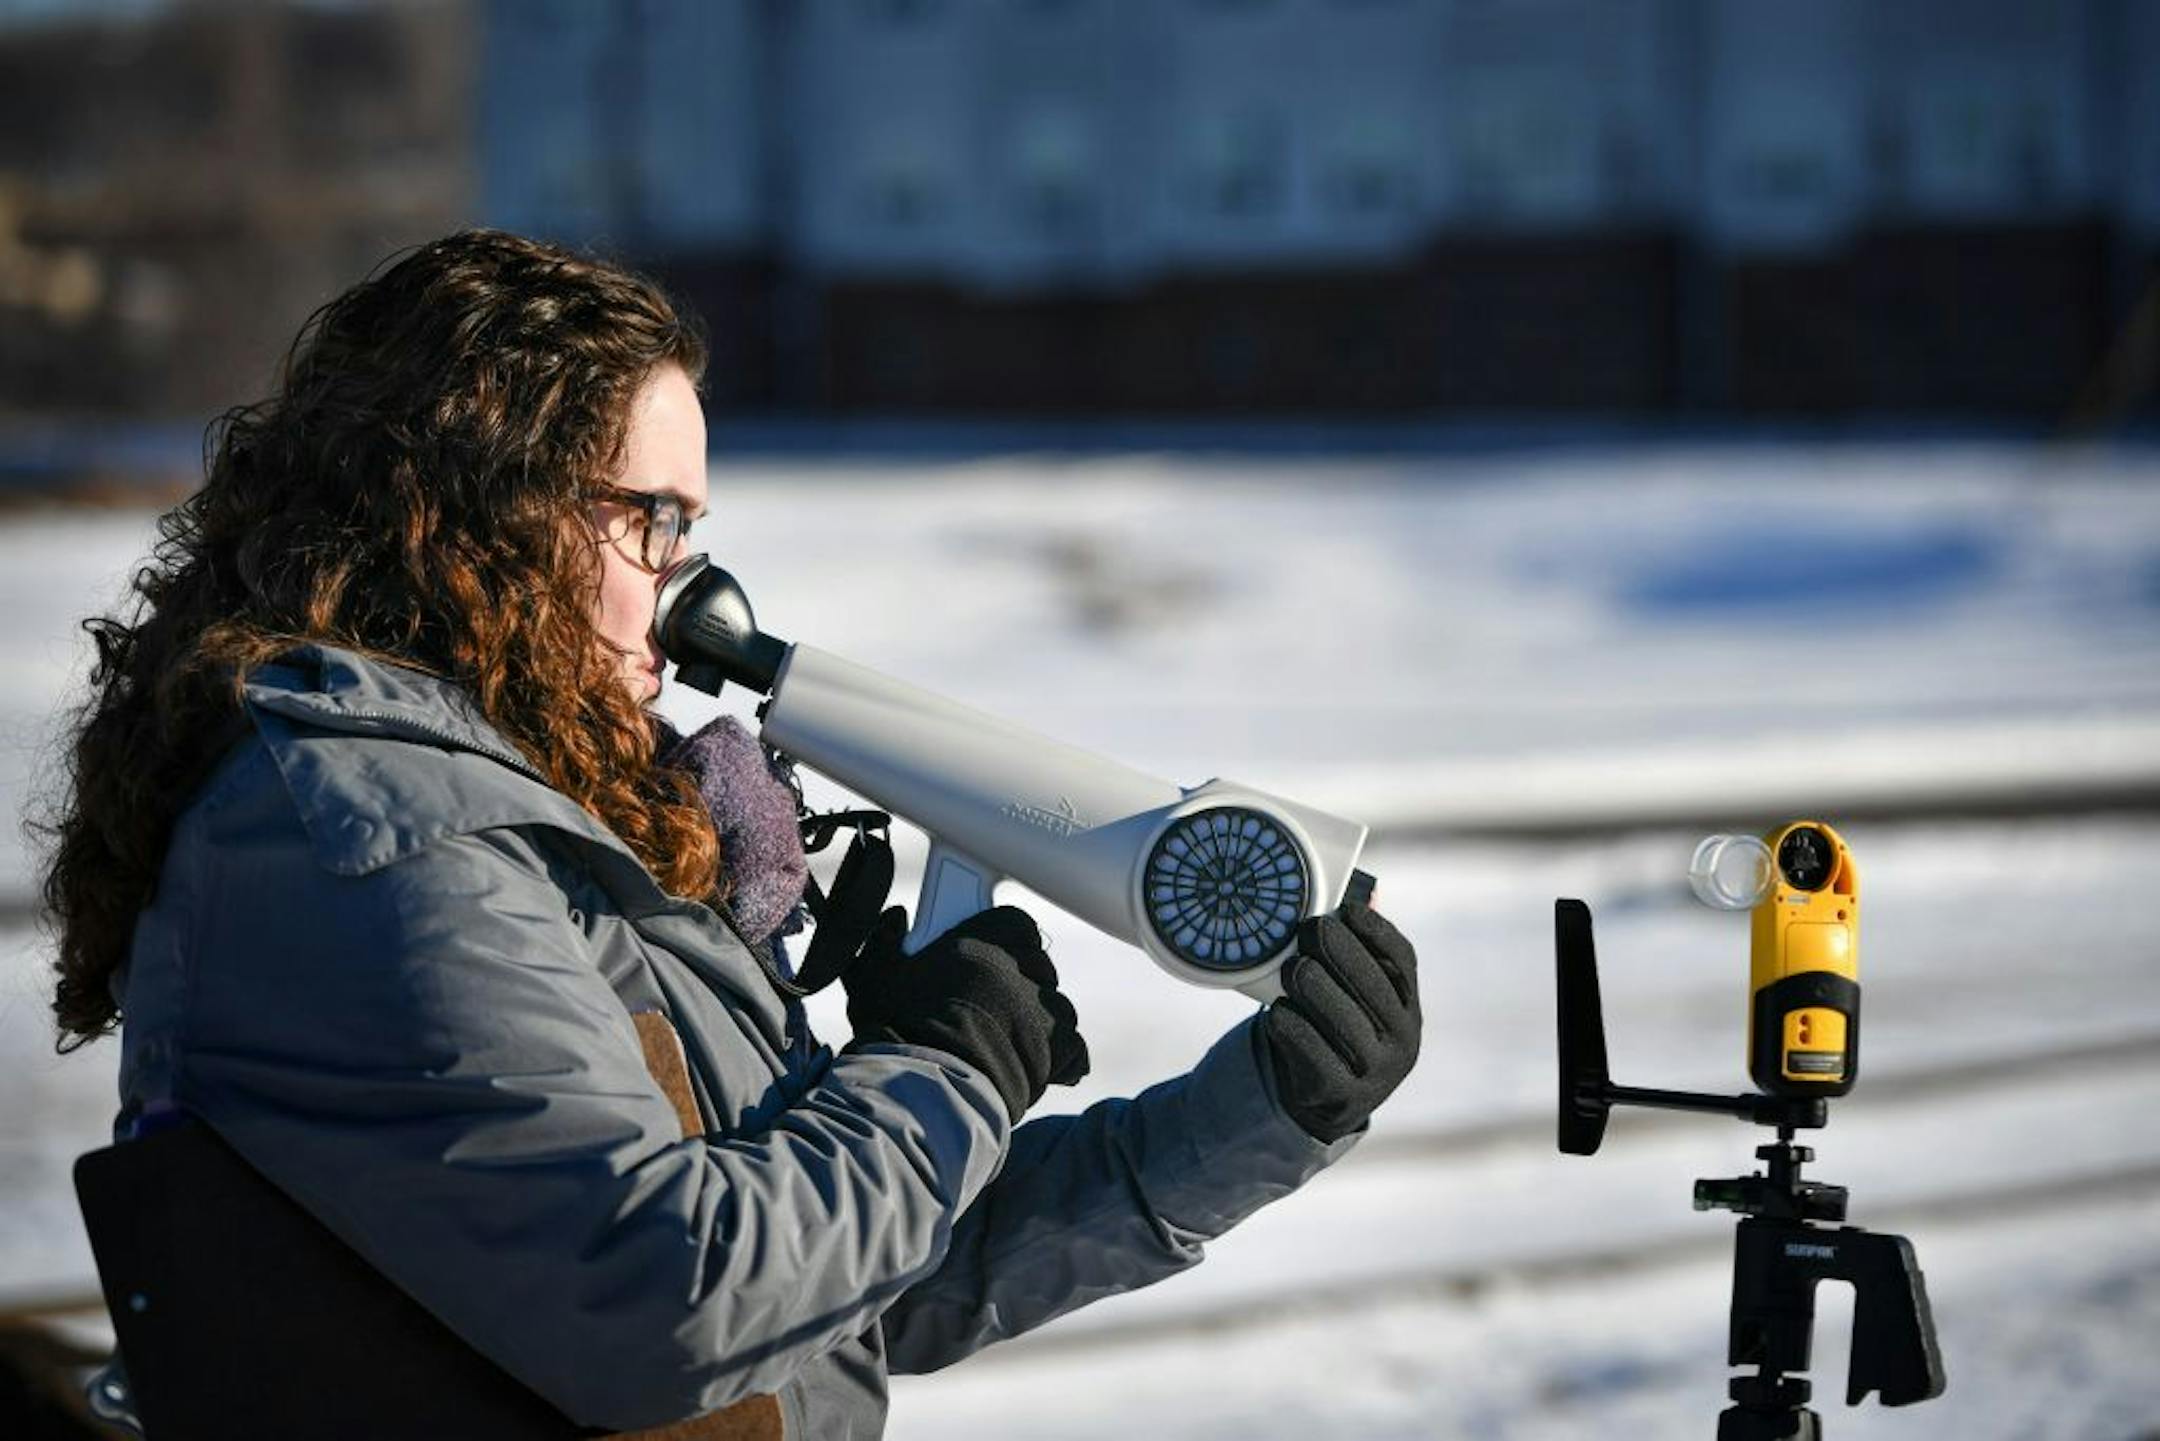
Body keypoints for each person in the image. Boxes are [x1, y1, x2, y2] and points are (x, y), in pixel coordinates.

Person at [41, 229, 1423, 1437]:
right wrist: (939, 1068)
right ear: (477, 503)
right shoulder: (372, 841)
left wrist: (1266, 1110)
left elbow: (853, 1296)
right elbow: (669, 1302)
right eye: (652, 519)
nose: (689, 580)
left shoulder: (549, 818)